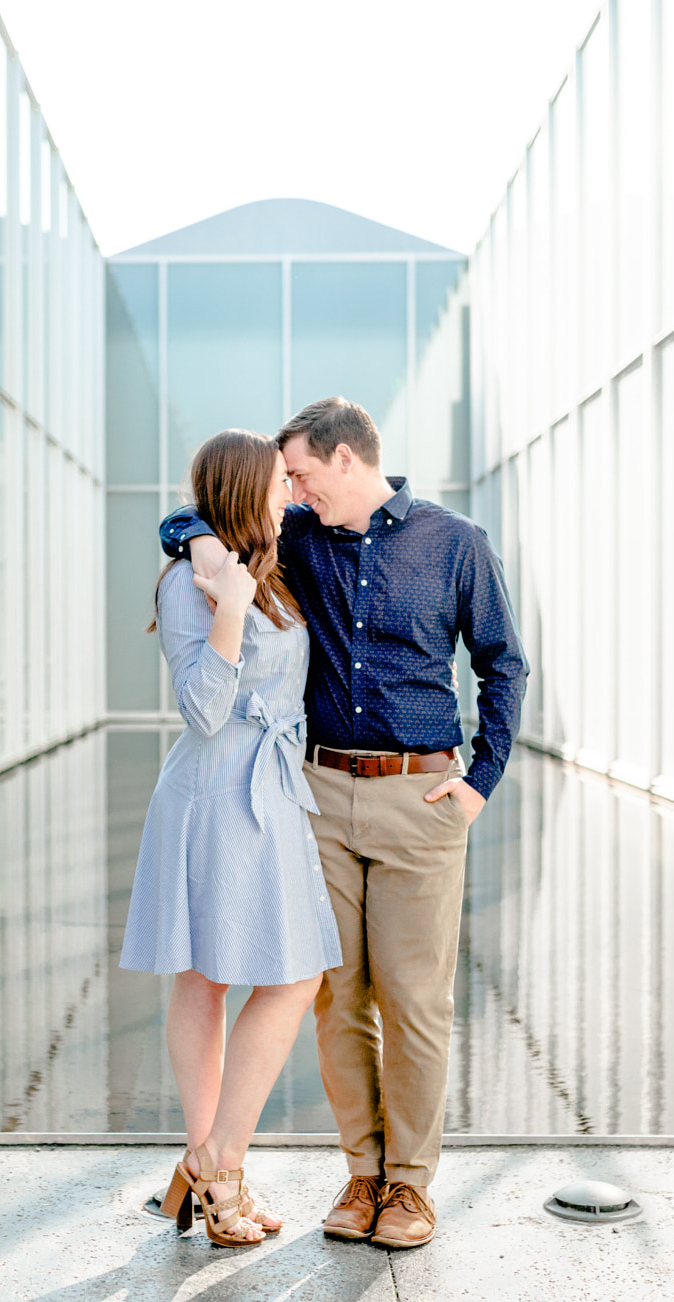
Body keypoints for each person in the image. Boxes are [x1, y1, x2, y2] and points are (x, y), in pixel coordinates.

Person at [161, 397, 527, 1249]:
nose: (290, 490)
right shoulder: (303, 537)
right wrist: (202, 536)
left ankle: (410, 1185)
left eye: (301, 473)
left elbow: (503, 662)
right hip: (318, 793)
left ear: (346, 460)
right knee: (333, 999)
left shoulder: (454, 542)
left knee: (416, 999)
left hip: (422, 795)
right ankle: (361, 1177)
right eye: (284, 480)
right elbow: (199, 512)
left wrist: (480, 779)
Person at [120, 429, 344, 1249]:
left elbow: (182, 516)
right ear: (248, 489)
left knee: (288, 973)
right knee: (213, 975)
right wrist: (230, 610)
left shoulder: (261, 566)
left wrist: (240, 580)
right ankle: (224, 1169)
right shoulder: (196, 584)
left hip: (272, 792)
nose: (292, 492)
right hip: (214, 795)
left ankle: (208, 1163)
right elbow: (204, 709)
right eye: (280, 482)